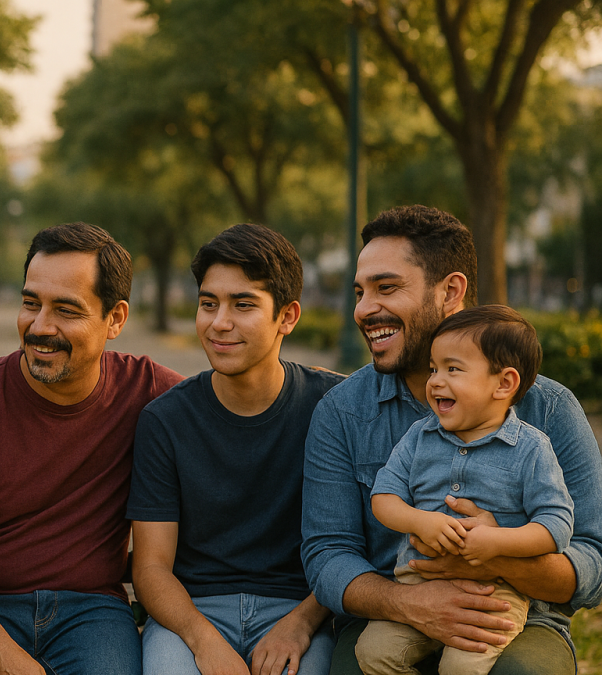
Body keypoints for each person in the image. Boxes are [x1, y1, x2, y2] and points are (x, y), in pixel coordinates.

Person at [302, 205, 602, 675]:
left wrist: (497, 557)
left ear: (451, 291)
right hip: (389, 608)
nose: (363, 309)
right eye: (359, 292)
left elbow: (592, 558)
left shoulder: (549, 408)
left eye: (386, 287)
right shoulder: (342, 412)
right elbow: (327, 556)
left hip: (517, 619)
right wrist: (409, 603)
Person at [0, 222, 183, 675]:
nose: (40, 327)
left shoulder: (153, 394)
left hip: (93, 610)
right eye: (30, 303)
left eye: (66, 309)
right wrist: (4, 655)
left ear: (115, 319)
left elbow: (240, 401)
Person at [129, 223, 343, 675]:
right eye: (208, 304)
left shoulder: (331, 407)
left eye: (243, 305)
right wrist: (203, 642)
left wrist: (301, 624)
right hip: (190, 612)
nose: (218, 322)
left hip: (298, 609)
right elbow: (151, 568)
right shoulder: (164, 420)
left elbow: (348, 546)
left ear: (287, 316)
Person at [355, 305, 573, 675]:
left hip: (494, 593)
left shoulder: (531, 449)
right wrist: (420, 521)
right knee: (373, 652)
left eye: (452, 369)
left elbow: (556, 525)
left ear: (504, 383)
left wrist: (496, 543)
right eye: (434, 368)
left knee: (461, 667)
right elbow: (384, 497)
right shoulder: (419, 437)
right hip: (416, 583)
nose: (436, 380)